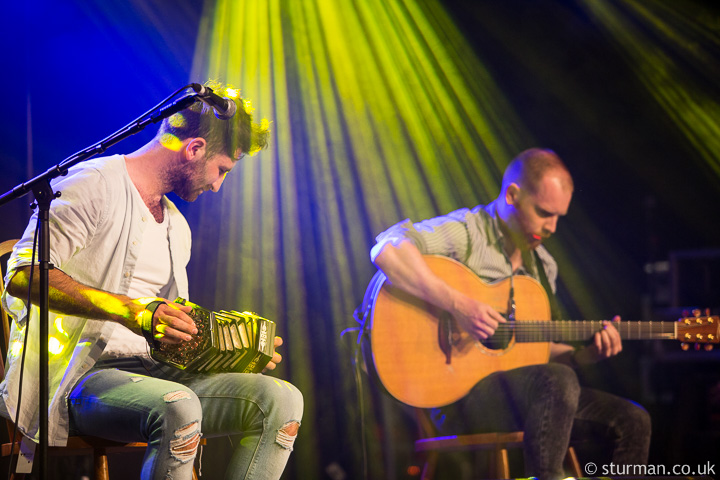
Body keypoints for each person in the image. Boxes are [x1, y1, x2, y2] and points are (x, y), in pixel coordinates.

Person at [0, 82, 303, 480]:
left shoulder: (178, 227)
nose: (217, 185)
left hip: (154, 373)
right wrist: (133, 311)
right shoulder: (93, 183)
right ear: (193, 148)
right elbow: (22, 275)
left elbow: (172, 335)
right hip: (78, 378)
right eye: (222, 170)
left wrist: (231, 354)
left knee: (280, 400)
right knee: (179, 405)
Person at [370, 148, 650, 480]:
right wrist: (459, 305)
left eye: (559, 217)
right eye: (545, 213)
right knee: (557, 382)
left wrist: (585, 355)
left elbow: (535, 356)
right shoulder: (469, 231)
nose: (552, 227)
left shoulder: (544, 267)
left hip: (530, 399)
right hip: (456, 401)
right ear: (513, 195)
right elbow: (387, 247)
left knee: (633, 420)